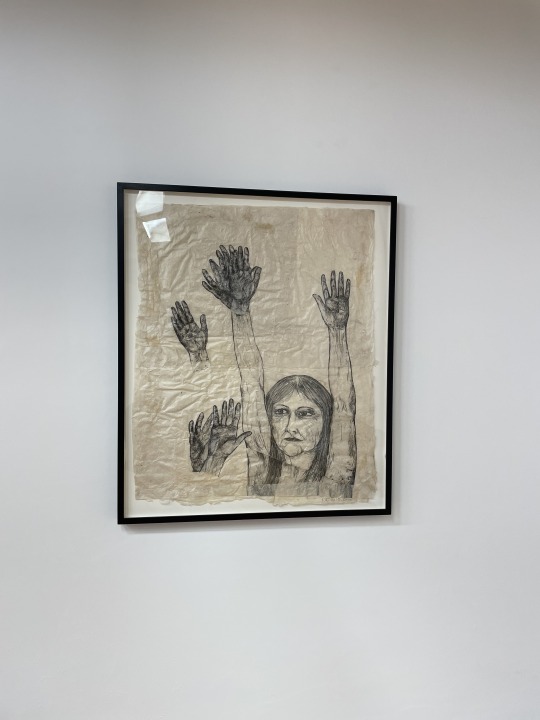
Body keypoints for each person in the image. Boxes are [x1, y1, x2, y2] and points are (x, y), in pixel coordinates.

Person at [202, 245, 357, 499]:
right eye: (280, 412)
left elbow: (343, 405)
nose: (290, 426)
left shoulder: (336, 476)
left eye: (305, 413)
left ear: (327, 420)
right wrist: (240, 313)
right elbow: (250, 383)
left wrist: (338, 332)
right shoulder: (263, 471)